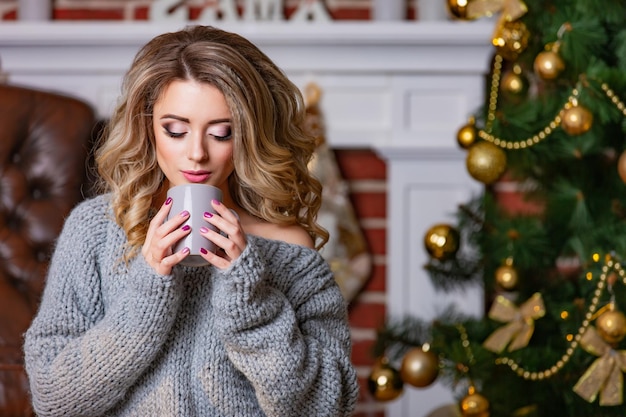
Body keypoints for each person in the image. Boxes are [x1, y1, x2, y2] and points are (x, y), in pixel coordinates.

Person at [23, 25, 359, 416]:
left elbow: (325, 407)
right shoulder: (96, 230)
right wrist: (148, 289)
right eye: (176, 130)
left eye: (221, 133)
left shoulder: (289, 248)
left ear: (247, 136)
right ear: (148, 127)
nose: (196, 153)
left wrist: (249, 293)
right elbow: (53, 399)